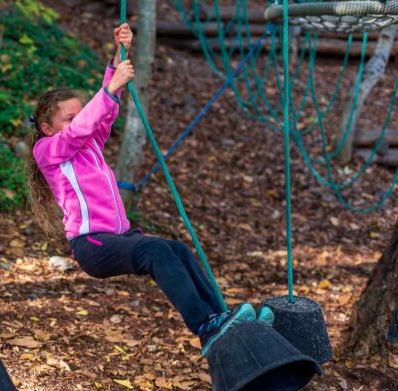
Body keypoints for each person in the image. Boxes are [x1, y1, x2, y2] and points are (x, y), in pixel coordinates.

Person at [26, 24, 270, 356]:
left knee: (176, 250)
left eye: (79, 114)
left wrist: (117, 57)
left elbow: (102, 115)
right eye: (69, 118)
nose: (78, 121)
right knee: (155, 254)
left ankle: (220, 318)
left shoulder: (89, 143)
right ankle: (205, 326)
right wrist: (110, 88)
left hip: (119, 238)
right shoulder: (49, 151)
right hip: (92, 245)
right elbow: (80, 128)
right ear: (46, 128)